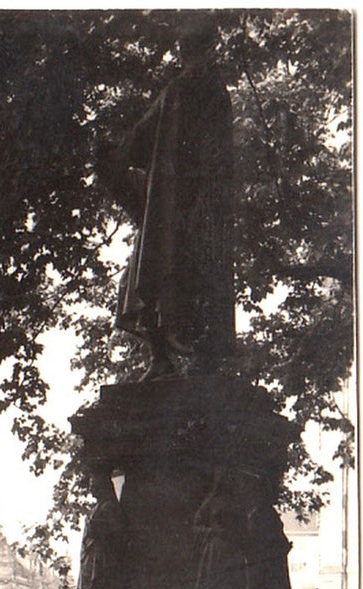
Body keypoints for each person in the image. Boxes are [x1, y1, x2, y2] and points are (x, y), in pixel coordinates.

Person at [103, 17, 235, 378]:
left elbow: (218, 153)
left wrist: (201, 200)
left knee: (196, 277)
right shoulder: (174, 92)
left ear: (206, 49)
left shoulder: (209, 91)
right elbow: (138, 140)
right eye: (183, 49)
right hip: (167, 206)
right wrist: (111, 155)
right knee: (146, 276)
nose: (186, 55)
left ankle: (202, 360)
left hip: (198, 205)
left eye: (191, 48)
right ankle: (160, 360)